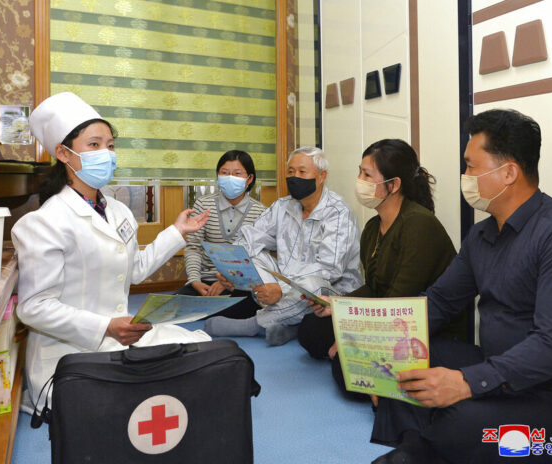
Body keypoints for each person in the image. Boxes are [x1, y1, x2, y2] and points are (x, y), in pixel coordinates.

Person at [371, 109, 552, 464]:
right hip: (500, 368)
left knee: (462, 425)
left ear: (508, 173)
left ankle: (422, 445)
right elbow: (439, 301)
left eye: (471, 166)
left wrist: (466, 383)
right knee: (404, 363)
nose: (465, 177)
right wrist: (376, 340)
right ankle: (416, 446)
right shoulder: (481, 235)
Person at [11, 92, 210, 407]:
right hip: (72, 350)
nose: (106, 153)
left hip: (124, 332)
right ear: (63, 153)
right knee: (143, 395)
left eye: (111, 145)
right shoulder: (43, 223)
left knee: (200, 349)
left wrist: (177, 232)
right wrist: (104, 326)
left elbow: (137, 270)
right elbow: (34, 307)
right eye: (94, 145)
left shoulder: (118, 211)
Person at [297, 139, 461, 398]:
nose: (359, 180)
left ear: (394, 185)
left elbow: (398, 302)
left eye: (367, 174)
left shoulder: (419, 225)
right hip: (385, 315)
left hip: (420, 328)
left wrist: (350, 333)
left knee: (346, 371)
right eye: (359, 171)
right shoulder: (374, 227)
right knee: (309, 329)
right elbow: (374, 288)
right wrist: (336, 305)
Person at [203, 146, 363, 345]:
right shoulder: (282, 206)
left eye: (302, 172)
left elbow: (330, 270)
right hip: (286, 286)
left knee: (313, 284)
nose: (294, 177)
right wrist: (231, 269)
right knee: (253, 257)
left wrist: (281, 288)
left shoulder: (339, 213)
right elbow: (250, 238)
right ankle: (289, 325)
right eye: (290, 171)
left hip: (332, 292)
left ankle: (255, 324)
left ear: (322, 176)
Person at [175, 150, 267, 319]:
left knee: (253, 304)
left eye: (237, 173)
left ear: (250, 179)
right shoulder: (204, 204)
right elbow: (193, 247)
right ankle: (213, 312)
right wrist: (195, 281)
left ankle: (212, 313)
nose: (230, 177)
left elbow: (256, 258)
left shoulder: (261, 212)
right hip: (205, 282)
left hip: (240, 286)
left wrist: (226, 281)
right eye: (225, 173)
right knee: (173, 305)